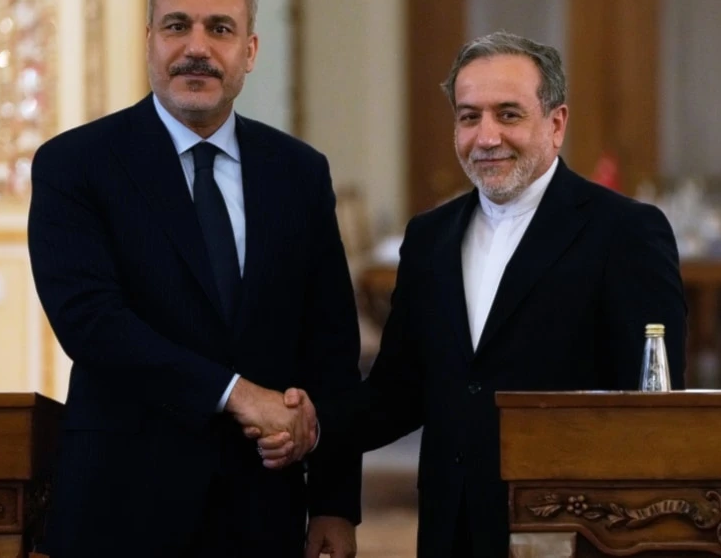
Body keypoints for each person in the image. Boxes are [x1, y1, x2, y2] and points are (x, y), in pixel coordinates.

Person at [254, 31, 688, 557]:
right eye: (468, 116)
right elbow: (398, 391)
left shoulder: (626, 232)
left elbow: (652, 408)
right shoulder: (429, 237)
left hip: (574, 531)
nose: (486, 137)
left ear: (556, 123)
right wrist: (312, 424)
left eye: (508, 114)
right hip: (450, 526)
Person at [27, 0, 360, 556]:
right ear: (149, 41)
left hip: (260, 509)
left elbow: (330, 345)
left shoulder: (300, 173)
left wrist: (335, 502)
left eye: (220, 29)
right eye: (177, 26)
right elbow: (92, 324)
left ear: (251, 50)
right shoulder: (74, 165)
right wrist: (238, 393)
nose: (197, 48)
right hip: (122, 502)